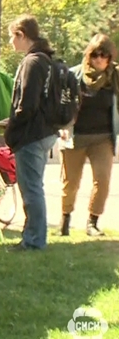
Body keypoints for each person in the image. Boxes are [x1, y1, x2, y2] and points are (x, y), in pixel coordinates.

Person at [5, 15, 58, 251]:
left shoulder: (32, 62)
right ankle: (33, 234)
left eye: (11, 37)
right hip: (45, 131)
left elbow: (27, 104)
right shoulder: (47, 60)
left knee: (31, 187)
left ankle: (35, 240)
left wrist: (11, 127)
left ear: (21, 34)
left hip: (31, 134)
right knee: (34, 186)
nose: (10, 42)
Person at [59, 34, 119, 237]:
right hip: (76, 136)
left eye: (104, 55)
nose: (99, 59)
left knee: (102, 180)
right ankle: (65, 220)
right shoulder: (75, 75)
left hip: (103, 138)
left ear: (110, 57)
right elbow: (62, 103)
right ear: (88, 55)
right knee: (71, 182)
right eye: (95, 54)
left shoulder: (115, 77)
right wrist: (62, 125)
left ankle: (92, 222)